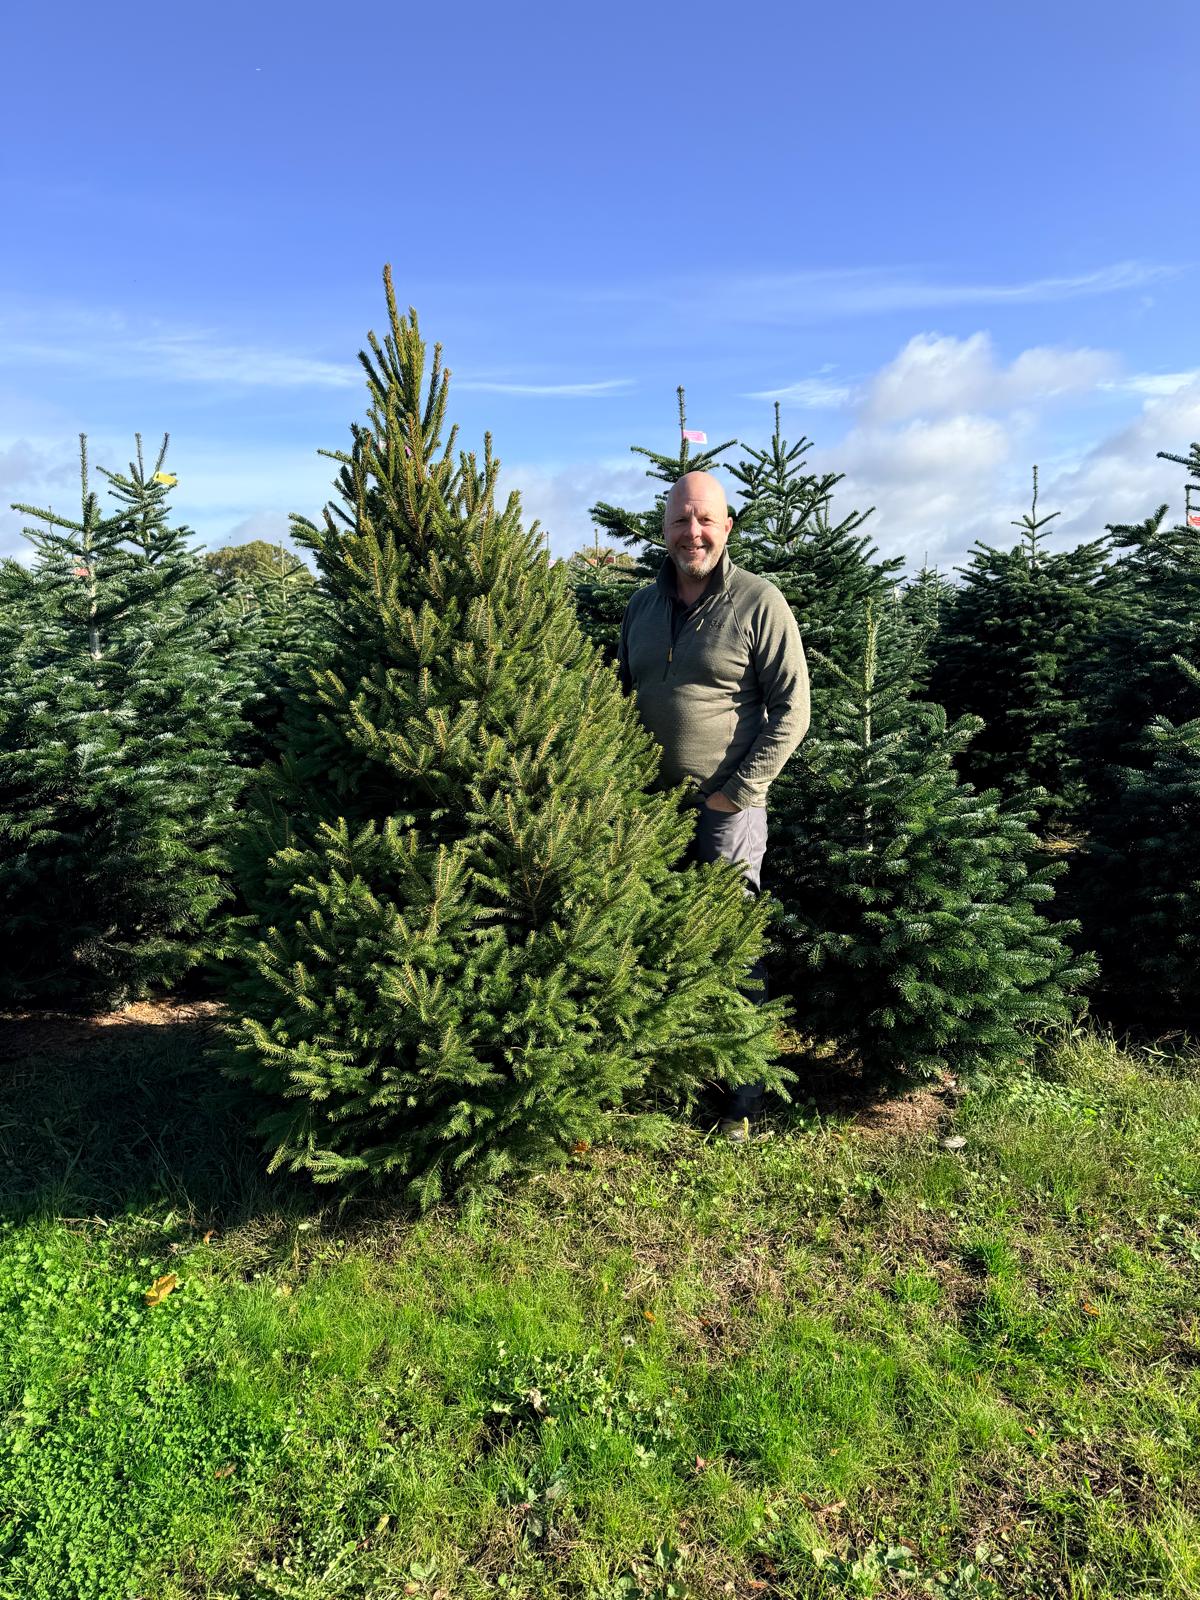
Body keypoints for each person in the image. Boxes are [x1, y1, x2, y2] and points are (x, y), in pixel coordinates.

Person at [617, 470, 810, 1140]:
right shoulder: (642, 607)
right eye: (680, 519)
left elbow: (793, 711)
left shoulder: (759, 601)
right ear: (664, 529)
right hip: (650, 812)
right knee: (658, 940)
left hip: (727, 810)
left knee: (732, 947)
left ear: (726, 527)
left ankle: (741, 1104)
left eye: (705, 519)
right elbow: (619, 698)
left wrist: (736, 793)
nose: (691, 532)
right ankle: (673, 1076)